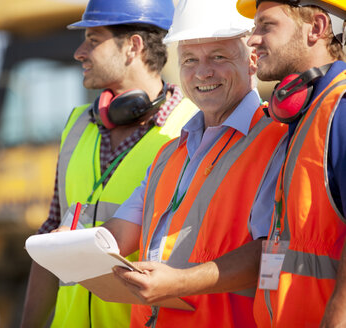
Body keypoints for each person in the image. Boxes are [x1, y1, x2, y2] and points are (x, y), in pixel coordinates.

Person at [104, 0, 288, 326]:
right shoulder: (169, 154)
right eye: (189, 60)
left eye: (218, 57)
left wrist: (180, 281)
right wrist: (71, 245)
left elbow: (275, 252)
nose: (202, 72)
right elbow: (119, 233)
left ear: (253, 60)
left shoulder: (278, 141)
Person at [19, 0, 199, 327]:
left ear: (133, 46)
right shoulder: (76, 126)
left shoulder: (192, 128)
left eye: (93, 39)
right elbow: (51, 235)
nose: (80, 53)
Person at [235, 0, 346, 326]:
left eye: (266, 26)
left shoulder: (339, 110)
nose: (253, 39)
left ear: (317, 28)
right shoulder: (306, 113)